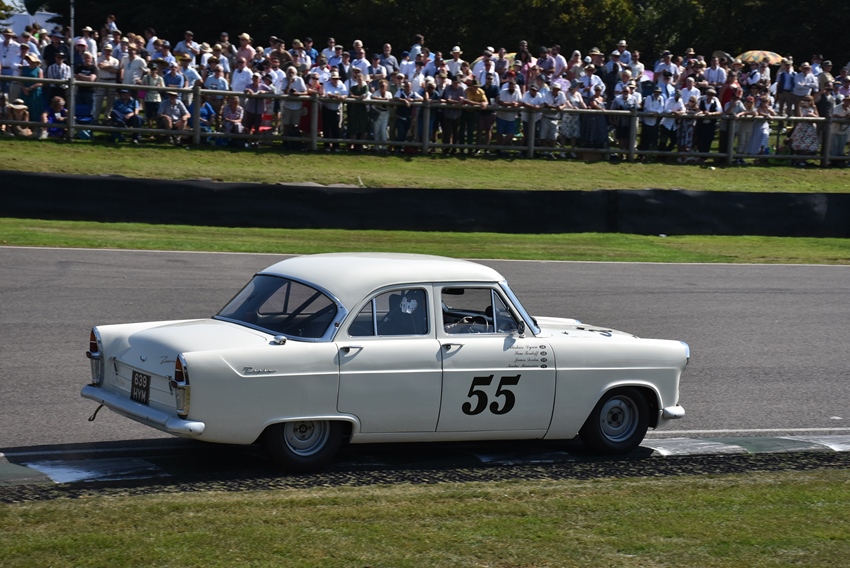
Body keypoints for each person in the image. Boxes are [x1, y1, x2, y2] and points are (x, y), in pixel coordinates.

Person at [790, 95, 820, 165]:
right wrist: (799, 106)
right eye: (805, 100)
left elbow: (818, 117)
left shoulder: (813, 108)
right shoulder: (801, 108)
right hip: (801, 127)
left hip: (810, 128)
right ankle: (797, 160)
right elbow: (800, 117)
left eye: (809, 100)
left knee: (808, 146)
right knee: (799, 145)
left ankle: (802, 160)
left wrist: (813, 113)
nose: (807, 102)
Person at [495, 79, 522, 155]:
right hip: (501, 116)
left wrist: (517, 104)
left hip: (511, 117)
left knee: (511, 134)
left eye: (513, 87)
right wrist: (511, 104)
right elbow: (501, 102)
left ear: (515, 87)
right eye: (510, 86)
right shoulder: (503, 91)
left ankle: (499, 147)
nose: (511, 88)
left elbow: (520, 102)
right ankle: (499, 150)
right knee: (499, 134)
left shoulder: (517, 92)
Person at [346, 67, 370, 151]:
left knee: (362, 126)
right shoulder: (353, 87)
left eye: (361, 79)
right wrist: (358, 97)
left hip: (362, 109)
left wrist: (356, 97)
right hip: (354, 108)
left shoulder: (365, 87)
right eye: (358, 78)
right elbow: (351, 95)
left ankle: (361, 145)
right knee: (353, 126)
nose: (359, 80)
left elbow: (364, 96)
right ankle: (352, 144)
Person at [19, 54, 43, 120]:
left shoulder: (39, 70)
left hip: (35, 92)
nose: (28, 60)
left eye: (30, 59)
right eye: (27, 59)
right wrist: (24, 89)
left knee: (34, 109)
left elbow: (40, 82)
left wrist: (30, 88)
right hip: (24, 92)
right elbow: (20, 80)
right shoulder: (23, 69)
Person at [141, 63, 165, 127]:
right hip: (148, 98)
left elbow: (163, 89)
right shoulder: (146, 77)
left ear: (157, 70)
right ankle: (150, 130)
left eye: (155, 69)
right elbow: (141, 88)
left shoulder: (160, 78)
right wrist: (142, 98)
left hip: (157, 99)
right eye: (152, 69)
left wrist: (159, 88)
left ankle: (158, 129)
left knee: (158, 115)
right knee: (149, 116)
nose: (153, 71)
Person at [830, 94, 850, 163]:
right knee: (834, 147)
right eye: (847, 100)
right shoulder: (838, 107)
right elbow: (834, 115)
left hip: (845, 130)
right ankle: (833, 161)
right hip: (835, 130)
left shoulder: (849, 108)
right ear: (844, 101)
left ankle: (839, 161)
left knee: (841, 147)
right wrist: (844, 117)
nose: (848, 102)